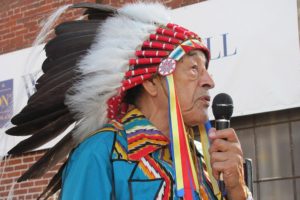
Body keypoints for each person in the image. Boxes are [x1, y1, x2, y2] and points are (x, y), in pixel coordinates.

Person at [6, 2, 253, 200]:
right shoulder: (100, 153)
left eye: (206, 70)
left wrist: (237, 189)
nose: (209, 81)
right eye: (193, 69)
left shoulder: (204, 158)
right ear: (151, 82)